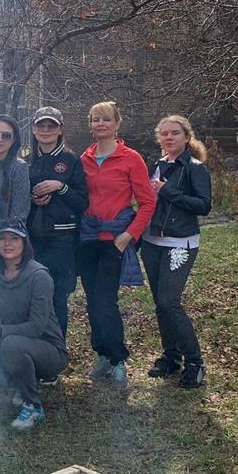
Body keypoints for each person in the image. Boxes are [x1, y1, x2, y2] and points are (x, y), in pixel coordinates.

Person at [0, 219, 68, 431]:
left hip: (49, 351)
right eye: (2, 238)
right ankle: (20, 383)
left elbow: (36, 327)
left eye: (14, 239)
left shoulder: (38, 276)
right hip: (15, 342)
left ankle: (33, 406)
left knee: (10, 345)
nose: (7, 244)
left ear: (25, 243)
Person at [77, 101, 156, 391]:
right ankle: (102, 355)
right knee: (91, 300)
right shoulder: (83, 159)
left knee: (105, 300)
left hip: (115, 241)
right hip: (87, 240)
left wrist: (129, 236)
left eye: (106, 119)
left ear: (117, 123)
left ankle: (118, 358)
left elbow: (148, 203)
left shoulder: (130, 158)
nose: (100, 124)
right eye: (95, 119)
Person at [141, 115, 212, 389]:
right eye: (164, 134)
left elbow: (204, 205)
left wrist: (169, 191)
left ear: (186, 137)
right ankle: (171, 357)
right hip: (151, 242)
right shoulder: (156, 166)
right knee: (160, 304)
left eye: (175, 133)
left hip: (180, 243)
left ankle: (195, 362)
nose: (169, 138)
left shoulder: (194, 168)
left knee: (170, 302)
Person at [26, 106, 89, 340]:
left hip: (62, 239)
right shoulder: (27, 161)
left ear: (60, 129)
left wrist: (60, 187)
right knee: (33, 295)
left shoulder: (71, 160)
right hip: (32, 239)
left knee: (57, 296)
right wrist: (32, 199)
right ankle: (35, 348)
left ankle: (56, 349)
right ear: (33, 129)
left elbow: (82, 202)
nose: (45, 130)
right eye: (41, 125)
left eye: (51, 125)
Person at [0, 116, 30, 224]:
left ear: (13, 140)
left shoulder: (19, 167)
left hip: (8, 234)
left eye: (6, 136)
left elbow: (19, 213)